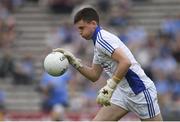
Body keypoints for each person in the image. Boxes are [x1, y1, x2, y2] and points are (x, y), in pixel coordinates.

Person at [53, 7, 163, 121]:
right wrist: (74, 62)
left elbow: (126, 62)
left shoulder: (103, 39)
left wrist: (110, 86)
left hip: (139, 91)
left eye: (82, 28)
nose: (80, 32)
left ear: (93, 23)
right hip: (122, 91)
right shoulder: (97, 43)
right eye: (78, 29)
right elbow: (94, 75)